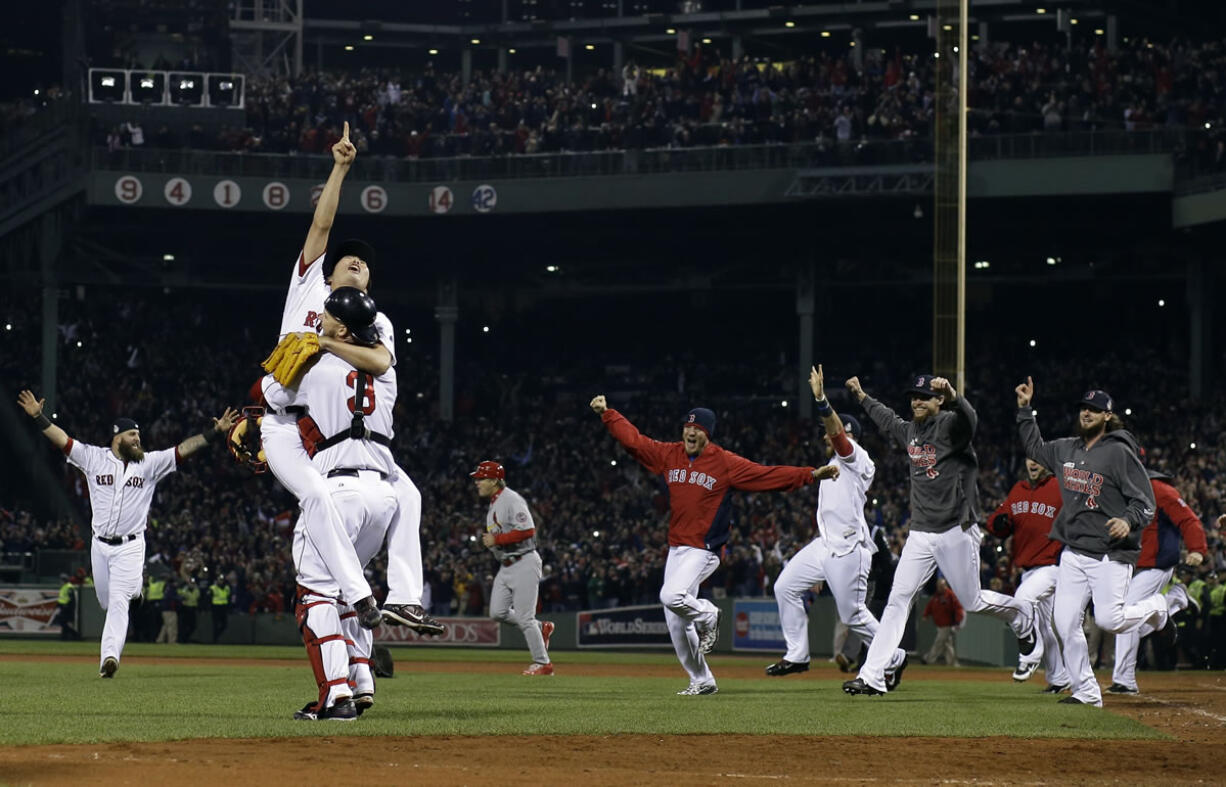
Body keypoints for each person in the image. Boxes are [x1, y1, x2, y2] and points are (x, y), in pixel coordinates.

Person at [257, 121, 439, 637]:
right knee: (317, 498)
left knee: (410, 495)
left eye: (365, 264)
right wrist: (339, 168)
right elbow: (320, 229)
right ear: (328, 272)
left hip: (338, 433)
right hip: (286, 421)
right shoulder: (308, 292)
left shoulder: (375, 321)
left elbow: (379, 364)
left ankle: (400, 601)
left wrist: (324, 344)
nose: (357, 262)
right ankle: (359, 596)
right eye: (348, 259)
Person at [590, 394, 822, 696]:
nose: (691, 432)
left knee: (670, 595)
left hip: (705, 550)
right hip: (676, 548)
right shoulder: (670, 455)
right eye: (688, 427)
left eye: (698, 428)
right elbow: (635, 442)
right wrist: (608, 414)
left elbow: (767, 475)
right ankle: (702, 679)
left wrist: (810, 474)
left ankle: (708, 615)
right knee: (675, 622)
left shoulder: (723, 462)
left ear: (707, 434)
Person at [842, 374, 1039, 697]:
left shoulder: (950, 426)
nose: (917, 401)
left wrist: (953, 395)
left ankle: (1022, 614)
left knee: (973, 601)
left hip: (955, 530)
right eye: (914, 397)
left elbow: (970, 420)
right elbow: (887, 419)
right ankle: (873, 675)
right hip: (920, 532)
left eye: (924, 396)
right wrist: (862, 396)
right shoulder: (911, 431)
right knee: (898, 600)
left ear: (938, 402)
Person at [16, 389, 236, 677]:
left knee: (117, 603)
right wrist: (38, 418)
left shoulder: (150, 464)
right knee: (106, 600)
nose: (138, 440)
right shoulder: (93, 457)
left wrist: (214, 432)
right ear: (117, 436)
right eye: (133, 435)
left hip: (131, 546)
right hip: (100, 546)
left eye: (139, 436)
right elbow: (62, 440)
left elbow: (183, 449)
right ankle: (136, 591)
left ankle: (109, 658)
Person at [267, 287, 403, 721]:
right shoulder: (385, 370)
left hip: (338, 491)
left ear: (342, 327)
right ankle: (361, 680)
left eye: (325, 315)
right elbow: (373, 356)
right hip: (383, 495)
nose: (318, 319)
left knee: (314, 593)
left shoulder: (317, 365)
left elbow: (271, 397)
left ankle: (335, 696)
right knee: (345, 587)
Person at [1015, 382, 1188, 706]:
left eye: (1094, 409)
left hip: (1110, 553)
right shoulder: (1066, 449)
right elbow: (1035, 449)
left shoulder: (1119, 452)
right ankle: (1086, 691)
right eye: (1084, 407)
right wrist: (1025, 410)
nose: (1086, 412)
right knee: (1065, 623)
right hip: (1075, 552)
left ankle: (1162, 606)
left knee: (1110, 620)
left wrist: (1128, 520)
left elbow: (1145, 502)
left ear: (1107, 416)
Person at [767, 366, 908, 685]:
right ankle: (797, 654)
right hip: (825, 546)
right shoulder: (831, 464)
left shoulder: (856, 455)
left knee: (853, 615)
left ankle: (895, 656)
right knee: (784, 587)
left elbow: (839, 437)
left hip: (849, 548)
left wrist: (820, 400)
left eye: (838, 431)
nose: (831, 436)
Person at [1107, 455, 1208, 694]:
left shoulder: (1160, 490)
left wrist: (1197, 550)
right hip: (1127, 566)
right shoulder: (1116, 493)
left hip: (1156, 565)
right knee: (1127, 622)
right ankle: (1173, 600)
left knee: (1124, 612)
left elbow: (1189, 520)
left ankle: (1124, 680)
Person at [986, 458, 1070, 691]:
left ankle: (1029, 657)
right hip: (1027, 568)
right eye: (1030, 459)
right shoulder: (1018, 490)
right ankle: (1059, 678)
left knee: (1022, 600)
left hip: (1054, 565)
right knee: (1044, 627)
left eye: (1039, 459)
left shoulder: (1060, 487)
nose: (1033, 463)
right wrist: (997, 523)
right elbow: (997, 521)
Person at [471, 460, 555, 676]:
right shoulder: (495, 502)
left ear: (494, 480)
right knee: (497, 612)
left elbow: (527, 530)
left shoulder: (511, 499)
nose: (477, 482)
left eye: (481, 479)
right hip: (506, 565)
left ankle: (543, 663)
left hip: (524, 561)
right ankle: (541, 628)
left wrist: (497, 539)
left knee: (524, 617)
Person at [921, 578, 964, 666]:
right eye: (939, 586)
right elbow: (930, 606)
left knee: (939, 642)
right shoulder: (936, 596)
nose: (940, 588)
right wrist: (926, 614)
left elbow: (958, 608)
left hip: (947, 624)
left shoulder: (950, 595)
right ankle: (952, 663)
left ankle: (929, 659)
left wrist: (957, 621)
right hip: (939, 625)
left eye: (942, 586)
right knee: (947, 644)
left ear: (945, 586)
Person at [54, 573, 80, 640]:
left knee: (63, 622)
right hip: (63, 607)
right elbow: (62, 598)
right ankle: (64, 637)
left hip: (67, 608)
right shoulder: (64, 587)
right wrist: (58, 605)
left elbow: (71, 599)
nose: (60, 582)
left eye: (61, 580)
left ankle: (75, 635)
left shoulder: (69, 587)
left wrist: (67, 606)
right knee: (63, 623)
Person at [210, 573, 232, 642]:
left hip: (223, 608)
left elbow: (229, 597)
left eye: (222, 580)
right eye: (220, 580)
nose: (221, 581)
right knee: (215, 625)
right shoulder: (213, 588)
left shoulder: (227, 588)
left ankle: (216, 637)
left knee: (224, 625)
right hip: (216, 607)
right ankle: (215, 640)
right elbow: (208, 598)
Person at [178, 576, 200, 643]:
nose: (192, 584)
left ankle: (186, 638)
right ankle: (182, 640)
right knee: (184, 626)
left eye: (193, 583)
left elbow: (198, 598)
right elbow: (179, 594)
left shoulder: (196, 590)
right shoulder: (185, 589)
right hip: (185, 609)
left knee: (193, 626)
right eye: (191, 583)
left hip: (193, 609)